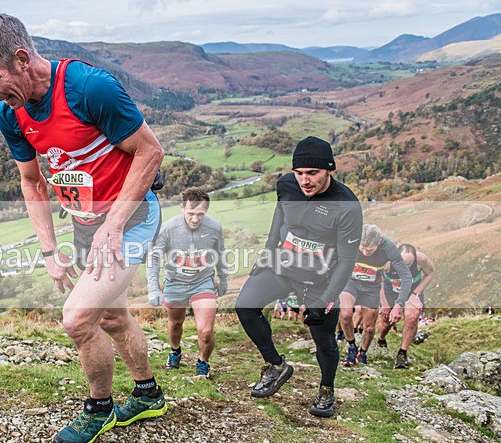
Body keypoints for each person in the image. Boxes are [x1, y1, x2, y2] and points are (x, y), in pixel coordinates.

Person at [0, 13, 167, 443]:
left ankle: (100, 407)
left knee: (78, 318)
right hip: (85, 225)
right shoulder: (10, 113)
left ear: (22, 59)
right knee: (112, 315)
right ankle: (149, 393)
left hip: (129, 220)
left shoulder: (88, 88)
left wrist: (113, 226)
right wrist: (48, 250)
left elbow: (150, 152)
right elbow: (32, 181)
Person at [234, 136, 362, 417]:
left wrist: (327, 299)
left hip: (321, 278)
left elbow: (348, 259)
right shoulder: (286, 185)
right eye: (299, 172)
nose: (305, 180)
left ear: (330, 170)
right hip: (284, 264)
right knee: (245, 306)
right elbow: (279, 218)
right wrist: (267, 253)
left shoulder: (347, 205)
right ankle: (276, 365)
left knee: (324, 339)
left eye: (313, 173)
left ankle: (326, 389)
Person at [147, 188, 229, 379]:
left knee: (206, 331)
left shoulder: (214, 227)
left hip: (203, 283)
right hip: (175, 283)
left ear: (206, 211)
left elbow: (221, 254)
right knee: (176, 322)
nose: (195, 219)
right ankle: (175, 352)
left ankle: (202, 362)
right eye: (191, 214)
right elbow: (154, 259)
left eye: (200, 214)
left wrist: (224, 279)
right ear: (182, 207)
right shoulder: (168, 228)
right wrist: (153, 288)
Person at [340, 225, 412, 367]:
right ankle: (351, 347)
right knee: (346, 314)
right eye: (362, 248)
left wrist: (399, 304)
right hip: (351, 283)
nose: (365, 252)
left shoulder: (388, 247)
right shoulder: (350, 240)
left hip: (371, 288)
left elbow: (406, 277)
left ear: (379, 242)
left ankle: (363, 352)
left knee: (370, 327)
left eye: (370, 250)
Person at [376, 244, 435, 368]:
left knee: (412, 318)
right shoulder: (386, 262)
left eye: (408, 264)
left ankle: (402, 353)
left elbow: (430, 274)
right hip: (390, 291)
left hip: (411, 292)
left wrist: (416, 293)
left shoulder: (421, 259)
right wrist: (385, 304)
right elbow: (378, 280)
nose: (405, 268)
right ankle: (381, 338)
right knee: (386, 321)